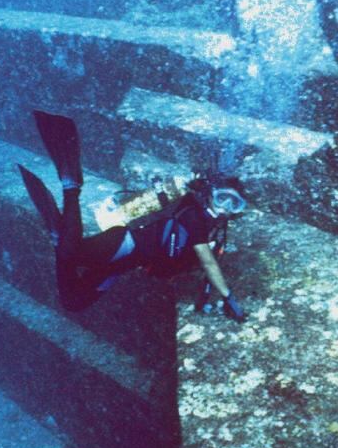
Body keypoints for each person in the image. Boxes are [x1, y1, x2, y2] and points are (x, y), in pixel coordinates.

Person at [17, 111, 246, 321]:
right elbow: (208, 262)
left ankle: (60, 236)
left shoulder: (214, 227)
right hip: (124, 244)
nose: (225, 207)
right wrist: (228, 297)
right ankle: (71, 186)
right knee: (71, 254)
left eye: (233, 203)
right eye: (222, 198)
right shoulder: (195, 217)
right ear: (210, 194)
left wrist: (207, 298)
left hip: (123, 264)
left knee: (73, 302)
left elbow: (204, 261)